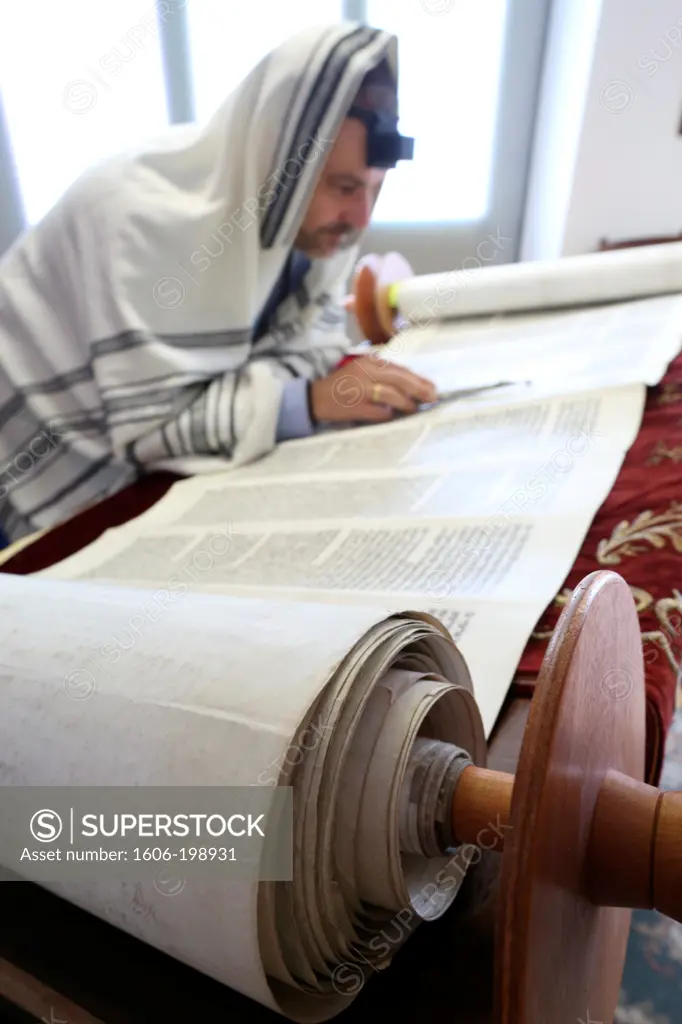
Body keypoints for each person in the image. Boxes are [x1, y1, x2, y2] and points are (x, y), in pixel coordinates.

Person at [0, 22, 436, 544]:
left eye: (374, 189)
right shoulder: (138, 214)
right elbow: (152, 432)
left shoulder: (316, 226)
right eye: (344, 187)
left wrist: (298, 389)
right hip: (36, 469)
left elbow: (307, 352)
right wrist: (308, 400)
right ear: (280, 164)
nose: (361, 218)